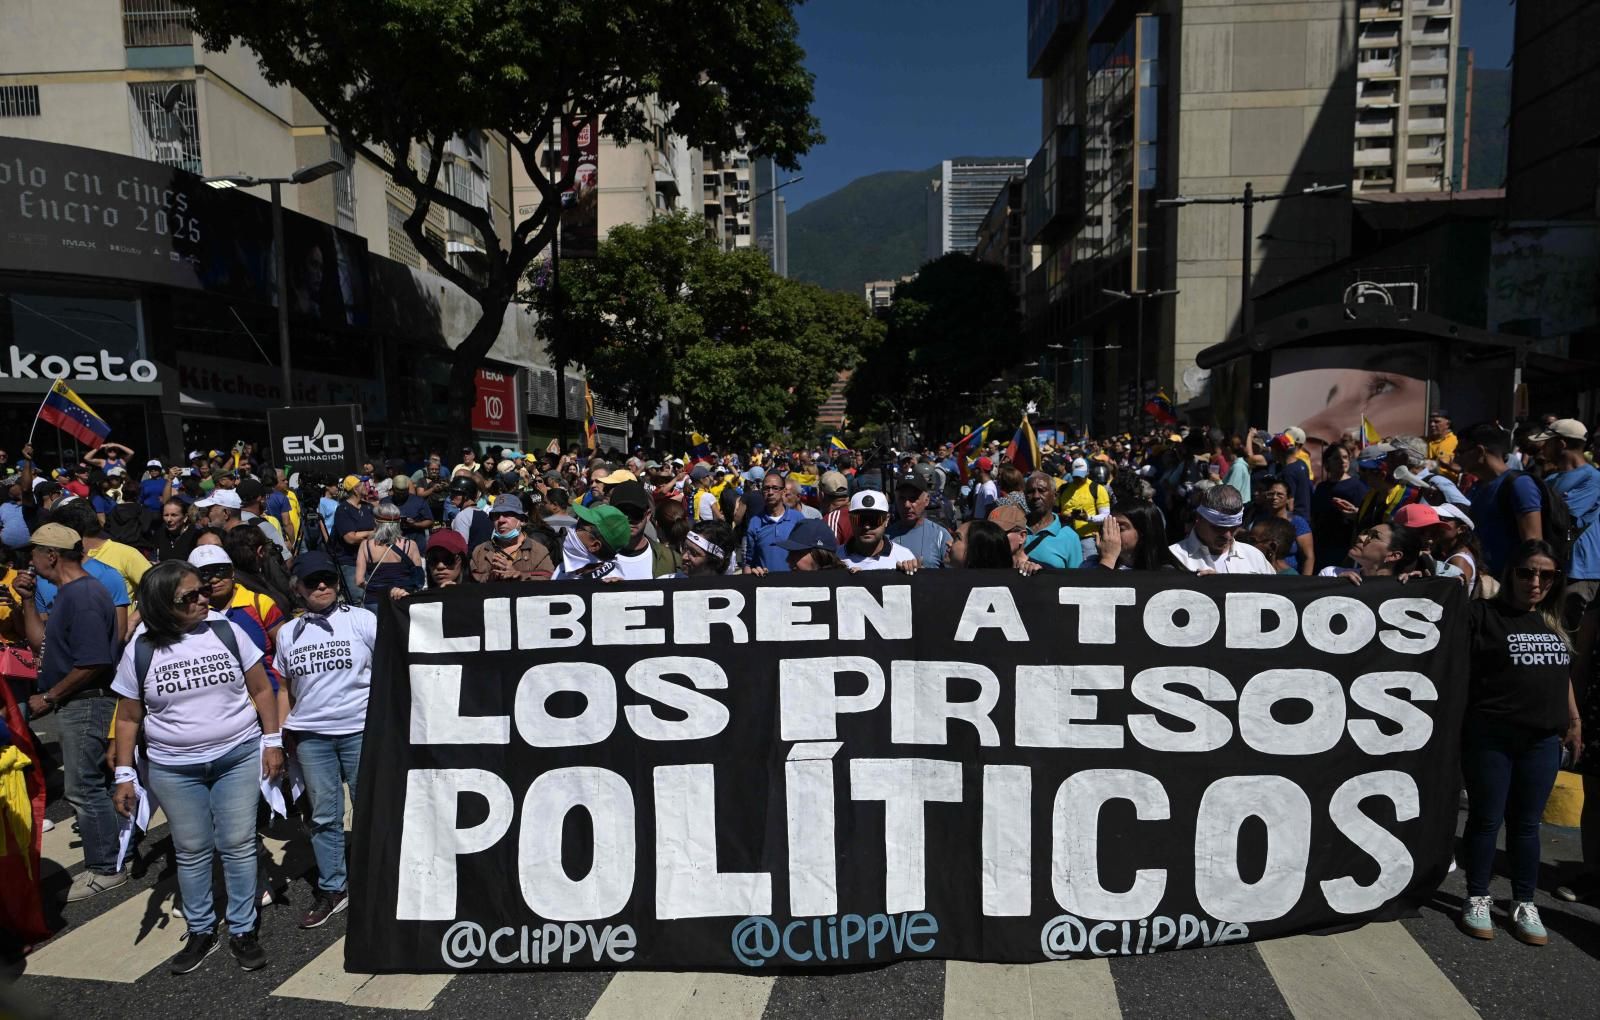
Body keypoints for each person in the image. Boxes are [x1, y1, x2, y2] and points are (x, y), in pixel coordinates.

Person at [110, 560, 284, 973]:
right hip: (174, 769)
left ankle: (242, 929)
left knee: (239, 843)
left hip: (237, 755)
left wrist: (272, 741)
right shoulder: (142, 648)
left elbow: (261, 689)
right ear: (161, 605)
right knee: (190, 850)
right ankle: (202, 929)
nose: (203, 598)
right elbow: (129, 717)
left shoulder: (225, 630)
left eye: (203, 590)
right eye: (190, 596)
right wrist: (123, 774)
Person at [1458, 540, 1581, 946]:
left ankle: (1524, 902)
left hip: (1542, 740)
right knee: (1486, 819)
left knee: (1527, 827)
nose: (1536, 581)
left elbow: (1561, 674)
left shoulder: (1552, 620)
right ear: (1511, 572)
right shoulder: (1481, 615)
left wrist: (1574, 719)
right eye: (1527, 571)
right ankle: (1477, 895)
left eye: (1547, 575)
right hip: (1491, 736)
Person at [14, 524, 124, 901]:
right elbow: (42, 644)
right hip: (77, 700)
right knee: (95, 783)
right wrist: (28, 601)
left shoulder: (84, 595)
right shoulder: (67, 594)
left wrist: (50, 696)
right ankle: (115, 853)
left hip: (86, 701)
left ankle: (105, 868)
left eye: (33, 553)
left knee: (85, 788)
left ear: (51, 555)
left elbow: (93, 660)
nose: (29, 561)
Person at [274, 551, 378, 929]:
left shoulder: (363, 620)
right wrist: (281, 738)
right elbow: (284, 689)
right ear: (297, 588)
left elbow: (389, 670)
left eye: (328, 579)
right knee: (323, 816)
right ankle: (333, 887)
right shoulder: (288, 633)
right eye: (312, 581)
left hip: (360, 731)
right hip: (311, 738)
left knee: (370, 807)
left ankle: (376, 879)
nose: (322, 586)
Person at [1534, 418, 1600, 626]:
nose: (1542, 446)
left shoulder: (1592, 478)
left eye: (1548, 441)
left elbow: (1562, 514)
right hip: (1555, 565)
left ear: (1561, 444)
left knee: (1571, 632)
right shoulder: (1551, 479)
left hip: (1580, 571)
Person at [1168, 485, 1275, 575]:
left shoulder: (1254, 556)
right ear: (1199, 518)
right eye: (1219, 528)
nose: (1227, 535)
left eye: (1233, 527)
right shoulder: (1174, 558)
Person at [471, 494, 555, 582]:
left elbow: (548, 581)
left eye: (507, 514)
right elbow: (471, 584)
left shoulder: (538, 551)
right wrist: (490, 578)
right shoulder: (480, 551)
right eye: (496, 515)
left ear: (522, 521)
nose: (501, 520)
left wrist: (519, 575)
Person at [1311, 443, 1365, 575]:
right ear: (1327, 462)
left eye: (1346, 457)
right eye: (1337, 458)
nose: (1342, 461)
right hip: (1322, 543)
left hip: (1345, 542)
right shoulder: (1322, 487)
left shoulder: (1357, 486)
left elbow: (1363, 516)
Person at [354, 503, 423, 607]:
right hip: (402, 599)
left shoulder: (366, 545)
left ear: (376, 522)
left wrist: (376, 589)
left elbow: (359, 581)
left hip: (375, 601)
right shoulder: (410, 545)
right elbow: (419, 578)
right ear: (398, 522)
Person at [608, 480, 678, 579]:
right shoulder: (594, 558)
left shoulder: (671, 559)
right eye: (621, 513)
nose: (629, 519)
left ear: (648, 515)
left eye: (636, 513)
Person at [1245, 476, 1314, 575]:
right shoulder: (1260, 520)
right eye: (1271, 494)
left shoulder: (1298, 522)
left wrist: (1306, 583)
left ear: (1288, 499)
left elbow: (1308, 557)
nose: (1274, 497)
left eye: (1280, 494)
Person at [838, 490, 919, 572]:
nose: (867, 526)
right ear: (850, 520)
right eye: (860, 519)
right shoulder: (836, 558)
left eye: (874, 519)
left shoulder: (904, 558)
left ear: (887, 520)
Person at [1018, 471, 1083, 570]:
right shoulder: (1015, 530)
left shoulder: (1070, 537)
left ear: (1055, 496)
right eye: (1030, 492)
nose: (1036, 496)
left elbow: (1075, 581)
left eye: (1042, 490)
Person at [744, 470, 805, 573]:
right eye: (766, 488)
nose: (770, 492)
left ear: (783, 491)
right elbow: (749, 562)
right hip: (765, 585)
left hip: (794, 585)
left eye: (775, 488)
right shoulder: (755, 522)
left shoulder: (798, 518)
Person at [887, 472, 952, 569]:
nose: (907, 505)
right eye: (902, 498)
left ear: (926, 500)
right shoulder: (886, 537)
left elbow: (954, 575)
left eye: (913, 499)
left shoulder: (940, 535)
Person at [1086, 501, 1171, 571]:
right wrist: (1107, 560)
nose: (1109, 533)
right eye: (1108, 525)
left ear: (1143, 533)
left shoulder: (1166, 573)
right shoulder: (1090, 565)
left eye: (1120, 528)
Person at [554, 503, 631, 580]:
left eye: (579, 526)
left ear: (594, 546)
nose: (571, 528)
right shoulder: (561, 569)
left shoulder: (610, 586)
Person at [776, 518, 848, 571]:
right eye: (790, 552)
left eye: (797, 553)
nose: (788, 560)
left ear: (821, 556)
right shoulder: (790, 586)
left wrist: (856, 579)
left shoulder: (846, 586)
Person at [1428, 409, 1460, 481]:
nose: (1432, 424)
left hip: (1449, 483)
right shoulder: (1424, 441)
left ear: (1448, 424)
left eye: (1437, 422)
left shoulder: (1456, 442)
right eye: (1430, 422)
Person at [970, 456, 998, 520]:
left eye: (974, 469)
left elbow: (989, 511)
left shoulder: (988, 488)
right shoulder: (983, 485)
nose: (973, 471)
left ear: (980, 470)